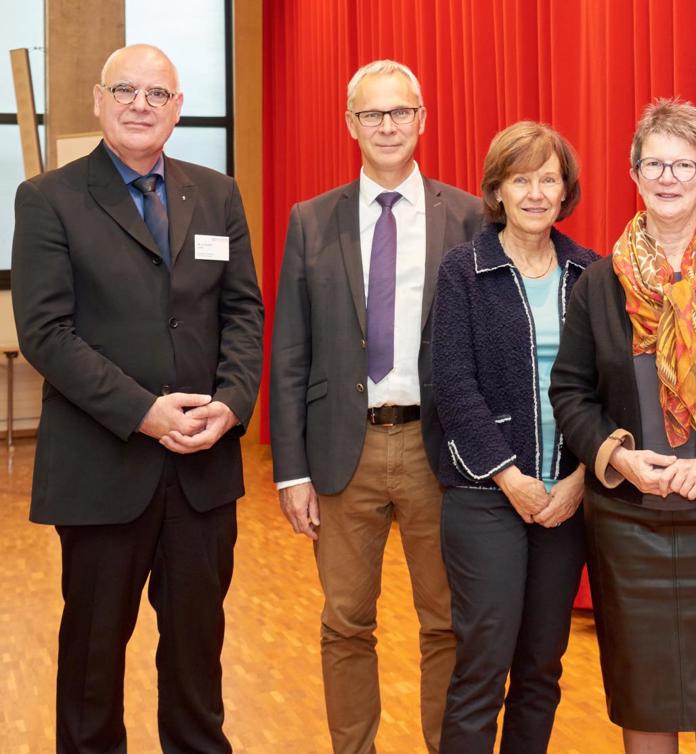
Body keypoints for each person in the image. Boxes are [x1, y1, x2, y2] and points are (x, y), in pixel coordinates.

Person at [11, 43, 263, 752]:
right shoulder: (49, 198)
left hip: (203, 473)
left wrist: (231, 402)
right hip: (101, 472)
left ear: (177, 109)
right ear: (99, 100)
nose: (140, 105)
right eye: (125, 90)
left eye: (157, 94)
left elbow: (243, 312)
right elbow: (46, 334)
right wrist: (144, 413)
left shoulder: (216, 194)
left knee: (197, 664)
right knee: (92, 670)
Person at [550, 99, 696, 754]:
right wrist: (617, 456)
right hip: (628, 525)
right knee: (645, 697)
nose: (668, 177)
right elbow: (570, 391)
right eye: (655, 163)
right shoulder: (598, 285)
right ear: (633, 173)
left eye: (684, 164)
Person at [268, 59, 480, 753]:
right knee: (345, 623)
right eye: (371, 113)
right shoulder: (311, 220)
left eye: (400, 112)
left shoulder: (468, 217)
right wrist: (291, 472)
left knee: (447, 623)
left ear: (422, 119)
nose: (387, 126)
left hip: (438, 452)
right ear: (350, 124)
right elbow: (290, 351)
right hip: (342, 452)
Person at [431, 121, 598, 753]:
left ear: (565, 191)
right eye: (520, 179)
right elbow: (453, 383)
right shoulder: (463, 270)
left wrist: (580, 478)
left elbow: (609, 388)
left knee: (541, 668)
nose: (535, 193)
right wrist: (509, 476)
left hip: (566, 499)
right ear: (497, 190)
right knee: (483, 665)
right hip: (486, 495)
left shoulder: (590, 272)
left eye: (548, 180)